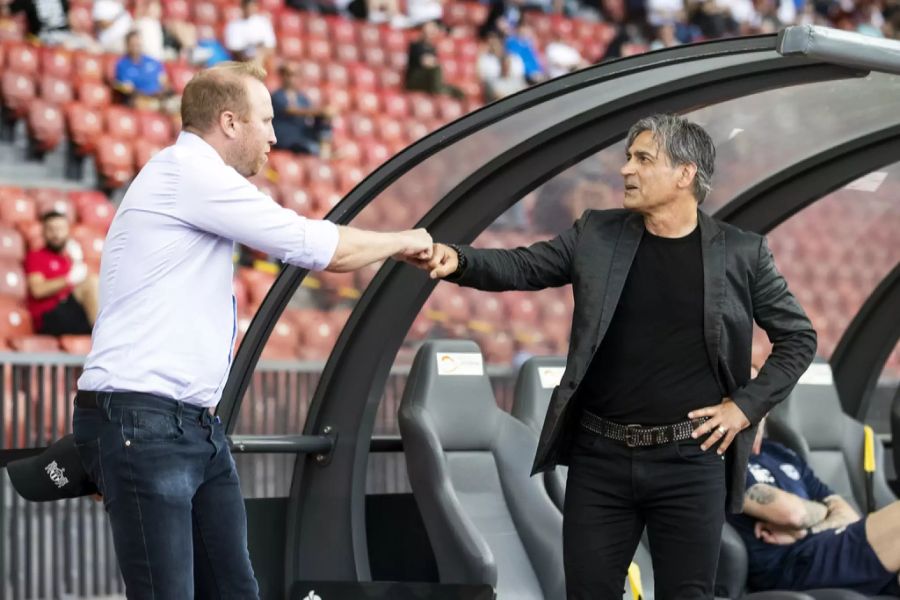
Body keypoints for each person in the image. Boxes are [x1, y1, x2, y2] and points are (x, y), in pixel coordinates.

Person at [410, 113, 817, 598]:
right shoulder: (598, 234)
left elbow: (798, 339)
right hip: (600, 458)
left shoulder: (742, 253)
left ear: (685, 174)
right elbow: (523, 266)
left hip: (692, 459)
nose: (626, 169)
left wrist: (744, 408)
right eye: (628, 158)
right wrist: (457, 258)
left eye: (643, 159)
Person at [72, 61, 433, 599]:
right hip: (143, 423)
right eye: (265, 121)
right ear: (229, 122)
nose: (274, 135)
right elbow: (316, 248)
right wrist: (404, 241)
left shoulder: (190, 180)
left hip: (187, 427)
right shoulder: (188, 174)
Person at [729, 417, 900, 595]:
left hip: (827, 545)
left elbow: (848, 515)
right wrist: (826, 513)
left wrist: (804, 530)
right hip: (792, 563)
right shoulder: (726, 461)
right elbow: (793, 514)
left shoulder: (780, 453)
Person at [25, 211, 98, 336]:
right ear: (43, 232)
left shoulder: (69, 258)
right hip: (49, 315)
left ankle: (103, 331)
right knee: (91, 282)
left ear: (68, 231)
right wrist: (68, 279)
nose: (56, 234)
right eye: (51, 229)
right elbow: (37, 290)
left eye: (60, 229)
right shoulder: (35, 256)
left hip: (72, 312)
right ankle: (103, 334)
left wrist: (77, 261)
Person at [272, 63, 335, 158]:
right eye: (288, 74)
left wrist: (326, 113)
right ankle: (319, 152)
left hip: (301, 134)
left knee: (324, 121)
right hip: (286, 137)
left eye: (295, 74)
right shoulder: (277, 96)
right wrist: (322, 111)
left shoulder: (302, 98)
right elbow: (291, 110)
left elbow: (310, 111)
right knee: (310, 146)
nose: (291, 77)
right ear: (282, 75)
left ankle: (325, 151)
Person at [404, 20, 465, 99]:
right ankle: (439, 89)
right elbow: (425, 62)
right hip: (414, 80)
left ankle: (446, 90)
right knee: (436, 68)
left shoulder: (432, 48)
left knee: (455, 89)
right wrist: (435, 63)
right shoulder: (416, 45)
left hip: (427, 80)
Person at [113, 31, 171, 110]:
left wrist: (163, 92)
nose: (135, 46)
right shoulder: (122, 65)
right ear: (127, 45)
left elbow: (164, 81)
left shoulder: (153, 62)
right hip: (140, 99)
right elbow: (125, 88)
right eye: (132, 44)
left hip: (159, 97)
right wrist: (145, 96)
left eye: (137, 43)